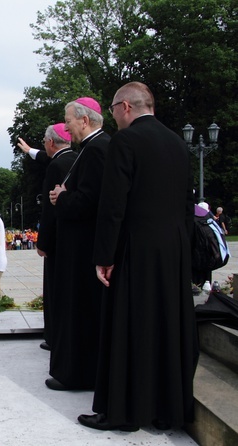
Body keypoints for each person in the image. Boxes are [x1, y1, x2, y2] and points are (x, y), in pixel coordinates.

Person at [79, 82, 198, 432]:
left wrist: (104, 255)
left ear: (126, 107)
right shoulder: (178, 143)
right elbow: (187, 205)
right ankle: (166, 410)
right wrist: (184, 251)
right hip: (173, 249)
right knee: (166, 326)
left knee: (128, 325)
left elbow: (113, 205)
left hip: (136, 248)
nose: (112, 115)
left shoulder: (126, 141)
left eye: (113, 108)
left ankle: (122, 411)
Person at [47, 97, 109, 391]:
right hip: (82, 245)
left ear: (84, 120)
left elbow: (91, 200)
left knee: (81, 312)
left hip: (83, 247)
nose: (67, 127)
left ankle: (79, 374)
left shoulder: (96, 150)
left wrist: (62, 197)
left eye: (69, 120)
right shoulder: (90, 149)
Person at [35, 123, 77, 352]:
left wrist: (43, 242)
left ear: (51, 142)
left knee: (54, 290)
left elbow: (50, 209)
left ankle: (53, 336)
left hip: (58, 239)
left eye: (44, 141)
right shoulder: (77, 158)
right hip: (73, 237)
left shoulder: (56, 164)